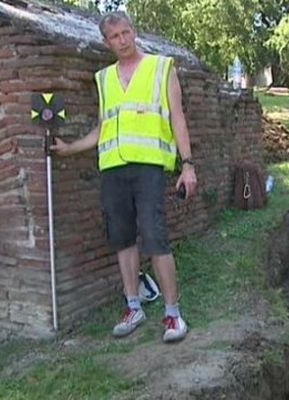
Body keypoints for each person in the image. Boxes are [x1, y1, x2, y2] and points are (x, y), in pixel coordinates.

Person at [51, 11, 197, 341]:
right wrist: (70, 149)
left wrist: (187, 165)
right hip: (113, 168)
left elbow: (178, 120)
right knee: (122, 238)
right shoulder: (103, 79)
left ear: (135, 32)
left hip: (149, 168)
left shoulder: (162, 67)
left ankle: (173, 314)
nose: (123, 40)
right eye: (115, 36)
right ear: (106, 42)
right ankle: (134, 306)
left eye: (127, 32)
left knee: (155, 237)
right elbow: (103, 128)